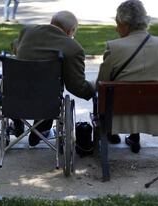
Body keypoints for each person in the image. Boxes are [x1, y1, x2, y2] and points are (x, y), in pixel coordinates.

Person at [96, 0, 158, 153]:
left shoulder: (114, 47)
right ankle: (134, 136)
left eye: (117, 23)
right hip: (153, 110)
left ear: (125, 24)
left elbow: (102, 82)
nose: (116, 28)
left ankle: (113, 132)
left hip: (118, 112)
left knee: (110, 93)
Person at [11, 11, 95, 146]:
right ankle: (41, 129)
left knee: (30, 83)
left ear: (52, 22)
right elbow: (76, 87)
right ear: (71, 30)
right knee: (50, 89)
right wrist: (94, 86)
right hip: (47, 103)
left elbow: (15, 45)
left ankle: (17, 122)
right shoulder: (73, 48)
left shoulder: (27, 31)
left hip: (14, 98)